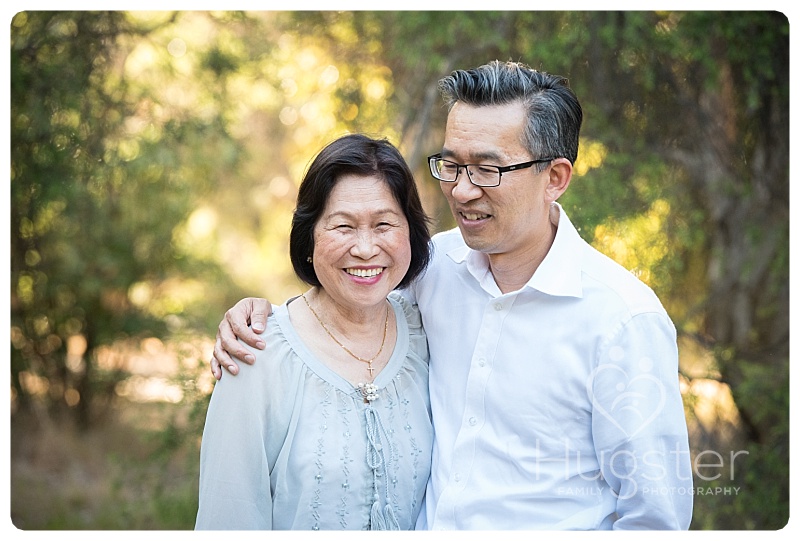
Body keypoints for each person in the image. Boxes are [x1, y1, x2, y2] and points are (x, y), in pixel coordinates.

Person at [211, 61, 693, 530]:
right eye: (452, 165)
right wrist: (258, 316)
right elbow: (346, 298)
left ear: (555, 178)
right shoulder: (432, 270)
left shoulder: (621, 320)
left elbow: (656, 517)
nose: (461, 191)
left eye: (487, 169)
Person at [195, 134, 434, 530]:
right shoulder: (256, 353)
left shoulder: (427, 330)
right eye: (343, 226)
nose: (365, 248)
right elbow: (228, 516)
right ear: (309, 237)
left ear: (410, 233)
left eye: (384, 224)